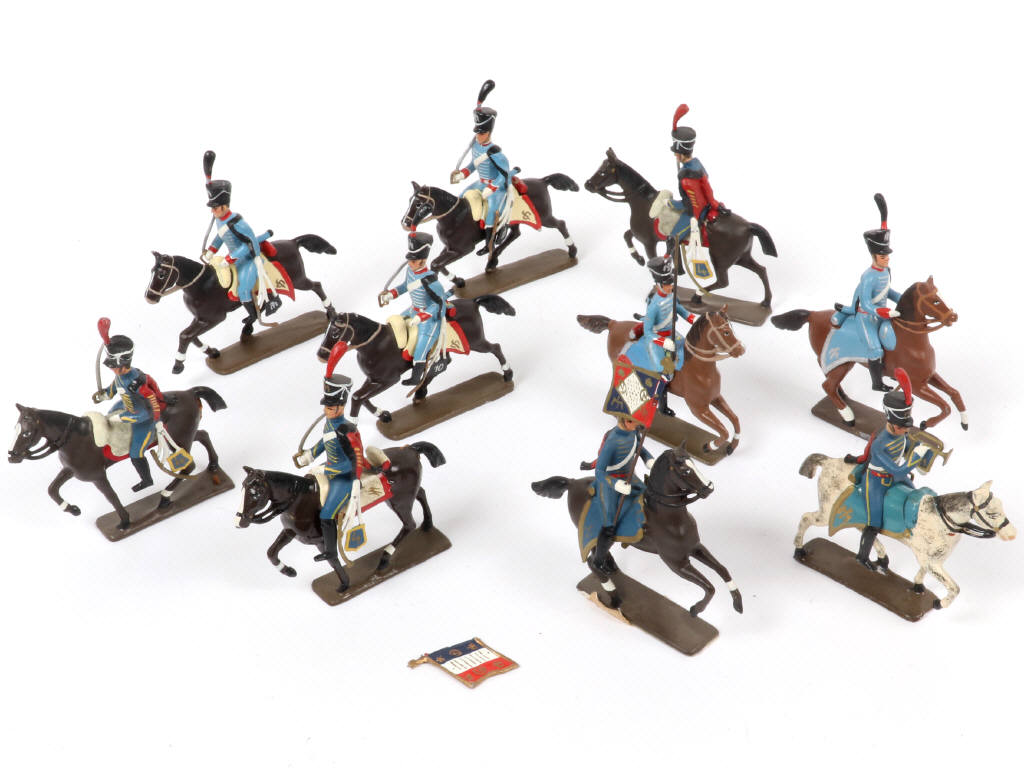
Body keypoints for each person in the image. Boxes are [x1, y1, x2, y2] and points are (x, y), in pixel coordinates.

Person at [851, 369, 922, 570]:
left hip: (894, 476)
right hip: (876, 481)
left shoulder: (902, 433)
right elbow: (897, 471)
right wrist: (916, 459)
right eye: (903, 427)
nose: (906, 431)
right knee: (874, 522)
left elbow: (905, 449)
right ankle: (862, 557)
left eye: (908, 427)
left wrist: (921, 451)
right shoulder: (879, 444)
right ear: (893, 423)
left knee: (915, 495)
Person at [830, 195, 901, 391]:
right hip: (866, 317)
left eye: (887, 255)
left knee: (895, 340)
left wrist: (902, 299)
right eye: (882, 256)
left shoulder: (886, 271)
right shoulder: (868, 276)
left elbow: (888, 291)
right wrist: (883, 312)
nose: (886, 259)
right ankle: (877, 383)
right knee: (876, 349)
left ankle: (892, 369)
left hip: (883, 315)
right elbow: (867, 304)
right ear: (874, 256)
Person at [295, 369, 363, 567]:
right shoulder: (330, 424)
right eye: (326, 406)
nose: (327, 410)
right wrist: (310, 454)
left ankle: (331, 551)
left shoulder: (346, 429)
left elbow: (355, 458)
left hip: (344, 476)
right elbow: (325, 441)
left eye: (331, 407)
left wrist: (345, 476)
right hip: (329, 469)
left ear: (340, 408)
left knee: (326, 514)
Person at [580, 417, 655, 591]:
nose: (639, 424)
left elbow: (638, 447)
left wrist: (648, 459)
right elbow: (599, 472)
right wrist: (616, 485)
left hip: (630, 477)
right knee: (610, 523)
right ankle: (598, 560)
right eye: (634, 421)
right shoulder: (612, 441)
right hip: (610, 484)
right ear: (626, 421)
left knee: (649, 496)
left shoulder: (634, 432)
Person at [203, 173, 282, 327]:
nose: (212, 211)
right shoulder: (220, 220)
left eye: (215, 208)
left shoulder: (239, 224)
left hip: (249, 259)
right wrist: (212, 249)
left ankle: (253, 316)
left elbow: (250, 243)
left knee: (243, 290)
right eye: (212, 208)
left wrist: (230, 258)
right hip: (233, 260)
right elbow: (221, 235)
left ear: (224, 206)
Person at [91, 333, 167, 492]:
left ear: (123, 363)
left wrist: (121, 418)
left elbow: (150, 406)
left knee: (136, 452)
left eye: (113, 366)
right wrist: (103, 396)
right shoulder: (120, 376)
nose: (111, 368)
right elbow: (113, 389)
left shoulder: (135, 382)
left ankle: (147, 479)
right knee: (109, 415)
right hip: (126, 406)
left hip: (144, 417)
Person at [378, 232, 450, 387]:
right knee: (394, 327)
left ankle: (416, 377)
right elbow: (406, 286)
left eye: (413, 261)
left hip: (430, 319)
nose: (410, 263)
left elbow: (439, 304)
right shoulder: (410, 271)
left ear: (422, 261)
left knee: (420, 350)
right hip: (413, 309)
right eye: (409, 260)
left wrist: (422, 317)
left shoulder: (431, 281)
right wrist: (392, 294)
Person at [449, 81, 513, 254]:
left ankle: (489, 243)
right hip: (481, 182)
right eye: (477, 132)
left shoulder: (496, 152)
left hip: (495, 187)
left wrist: (492, 188)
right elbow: (473, 164)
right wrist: (463, 174)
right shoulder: (476, 146)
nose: (479, 136)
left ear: (489, 132)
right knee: (461, 198)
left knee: (491, 211)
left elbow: (504, 175)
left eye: (482, 133)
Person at [664, 104, 726, 254]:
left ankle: (666, 260)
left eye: (676, 152)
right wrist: (713, 202)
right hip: (707, 205)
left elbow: (691, 205)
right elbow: (707, 189)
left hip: (696, 213)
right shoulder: (697, 164)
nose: (675, 155)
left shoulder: (687, 178)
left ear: (681, 154)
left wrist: (671, 203)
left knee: (672, 237)